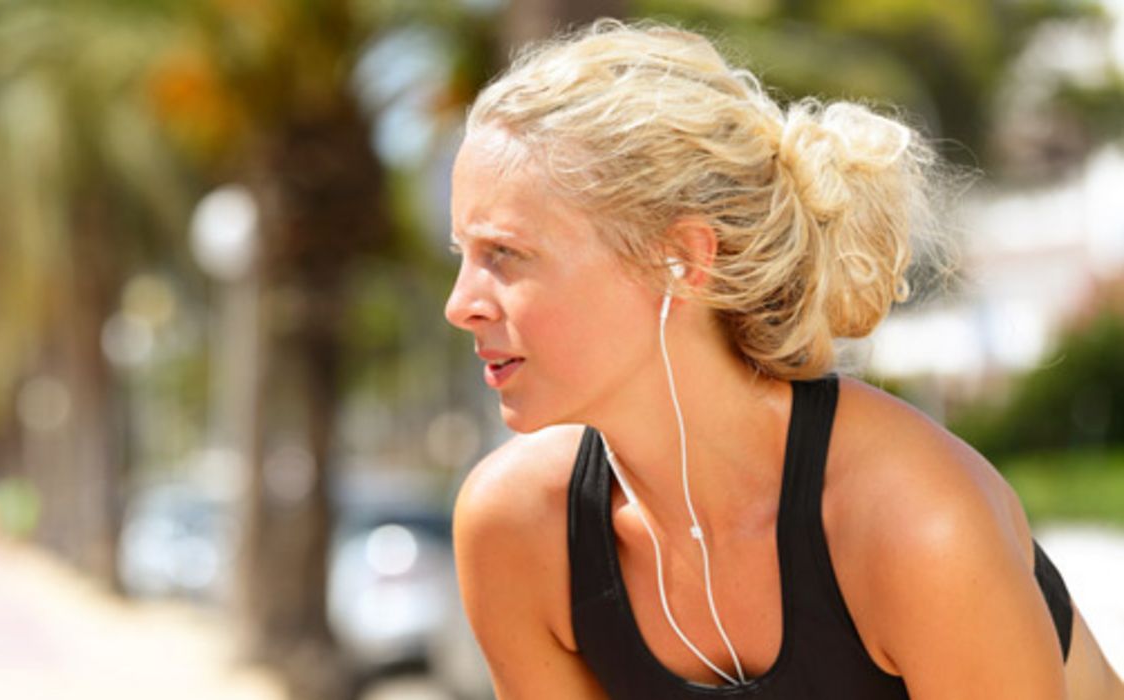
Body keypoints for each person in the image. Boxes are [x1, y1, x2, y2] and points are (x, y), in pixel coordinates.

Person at [444, 18, 1124, 700]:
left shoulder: (908, 518)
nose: (460, 304)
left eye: (505, 255)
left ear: (683, 258)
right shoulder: (516, 531)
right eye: (463, 257)